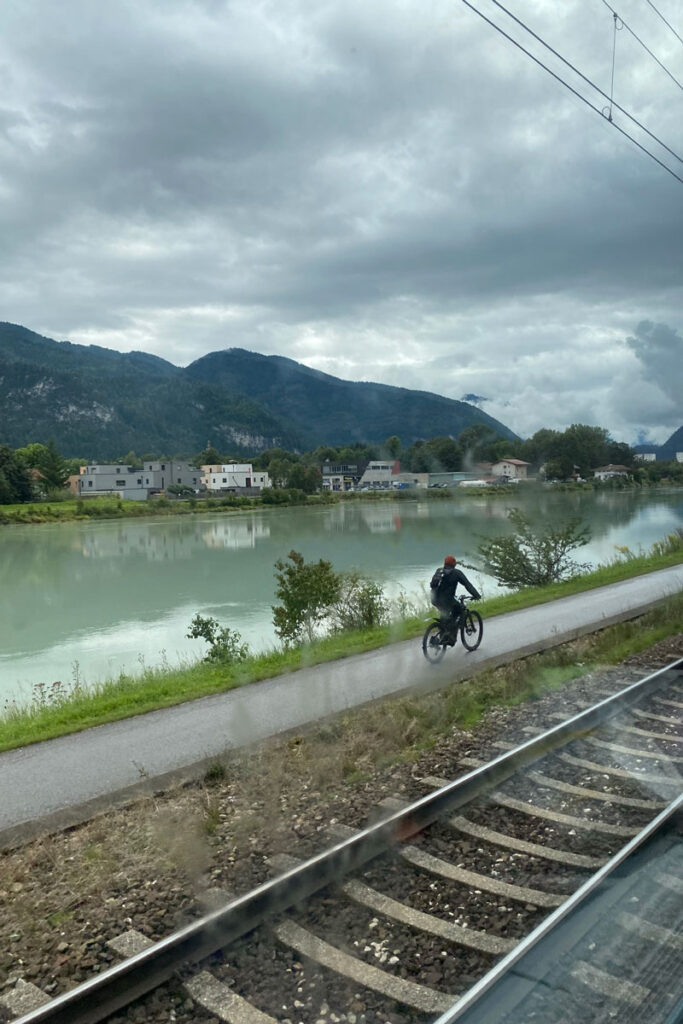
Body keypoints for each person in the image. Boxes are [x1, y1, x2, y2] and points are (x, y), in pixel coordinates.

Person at [430, 555, 481, 640]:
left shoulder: (439, 571)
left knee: (445, 615)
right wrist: (476, 595)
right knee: (460, 609)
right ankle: (450, 636)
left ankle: (444, 635)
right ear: (454, 564)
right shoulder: (456, 573)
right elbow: (467, 585)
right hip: (447, 600)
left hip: (435, 599)